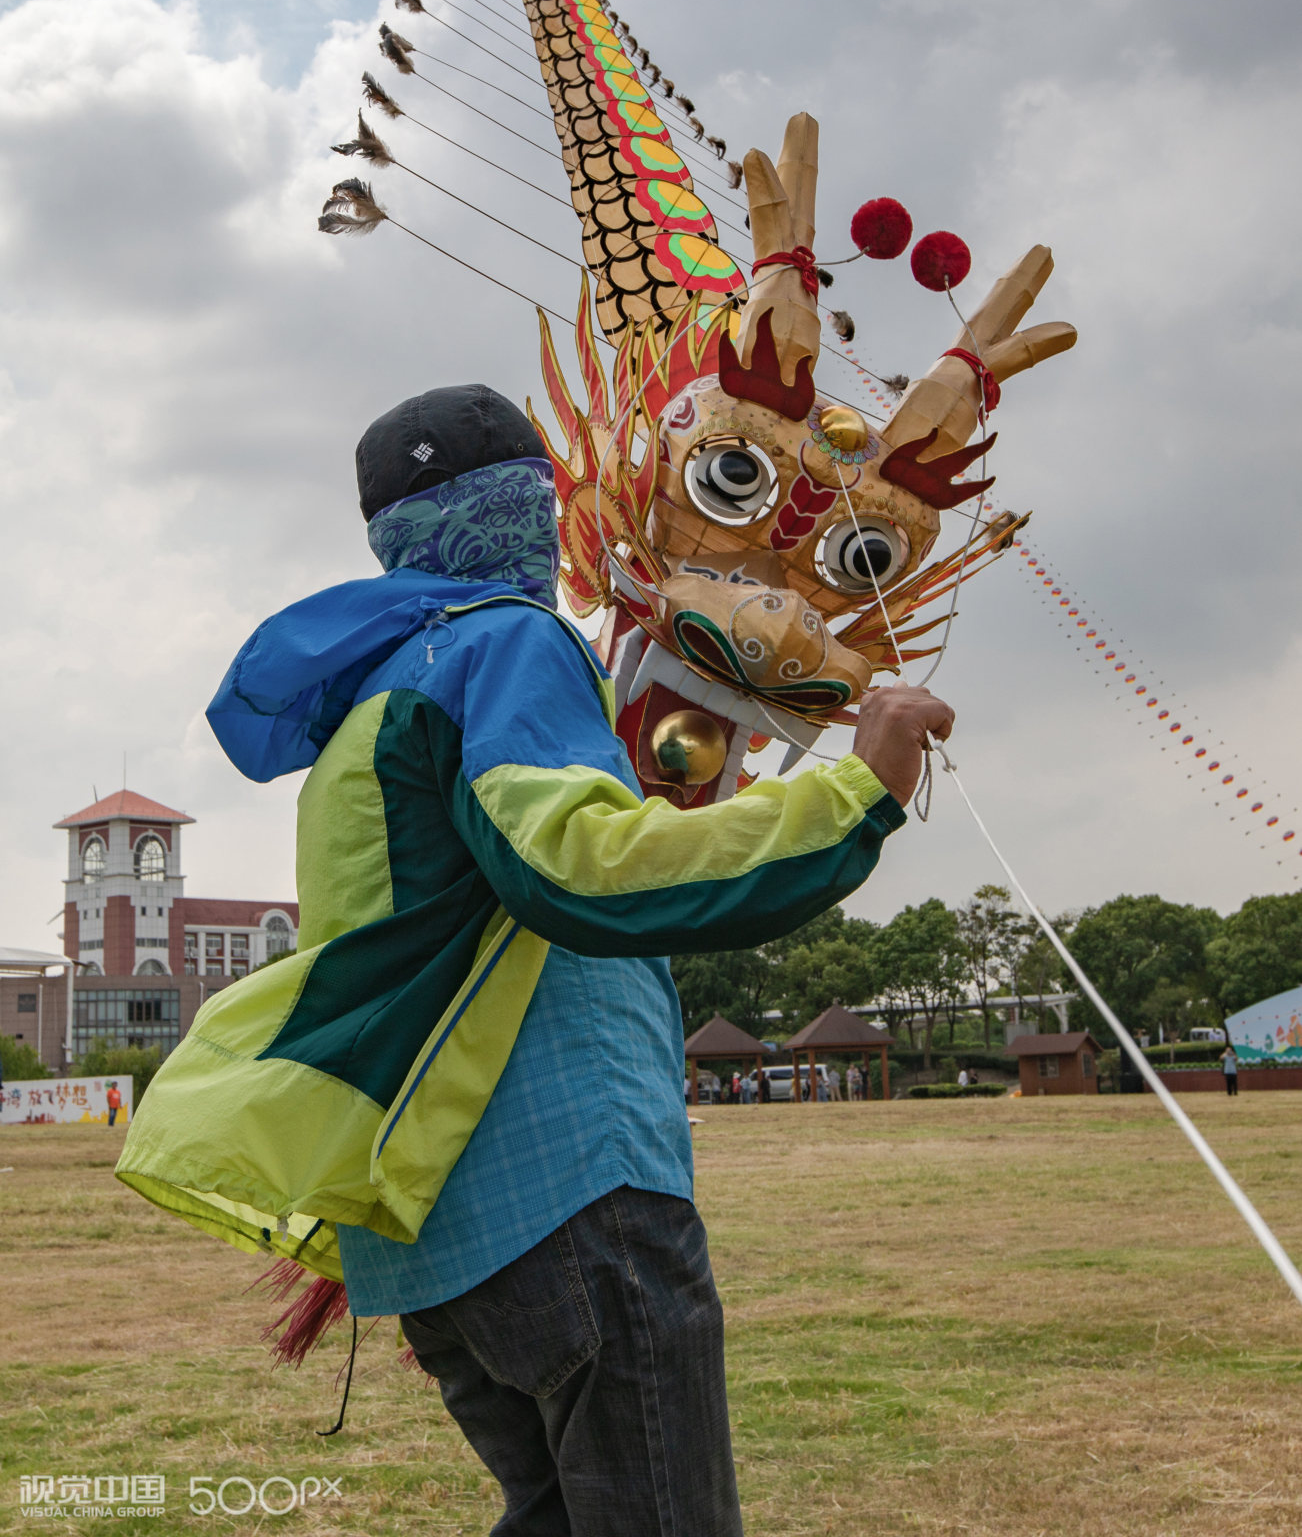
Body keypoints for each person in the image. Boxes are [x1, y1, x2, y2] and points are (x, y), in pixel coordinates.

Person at [127, 383, 953, 1537]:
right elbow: (576, 865)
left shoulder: (371, 696)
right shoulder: (504, 641)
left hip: (437, 1230)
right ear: (532, 508)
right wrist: (853, 790)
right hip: (567, 1193)